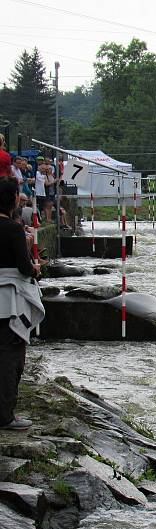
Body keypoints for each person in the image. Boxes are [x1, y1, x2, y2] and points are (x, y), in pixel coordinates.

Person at [0, 176, 45, 430]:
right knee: (10, 357)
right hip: (8, 301)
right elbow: (24, 267)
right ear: (14, 198)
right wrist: (35, 268)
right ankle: (6, 415)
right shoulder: (14, 229)